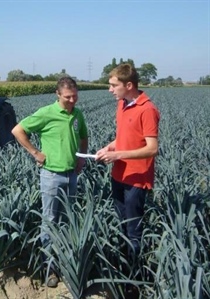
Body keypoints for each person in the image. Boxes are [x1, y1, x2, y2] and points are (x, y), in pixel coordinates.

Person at [11, 76, 88, 288]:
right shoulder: (47, 113)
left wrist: (81, 157)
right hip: (52, 175)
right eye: (67, 97)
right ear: (58, 95)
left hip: (72, 174)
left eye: (75, 96)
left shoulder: (77, 114)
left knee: (68, 219)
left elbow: (83, 137)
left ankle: (66, 263)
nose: (72, 100)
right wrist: (35, 152)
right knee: (50, 220)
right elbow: (18, 130)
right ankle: (49, 268)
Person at [95, 63, 160, 263]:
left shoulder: (147, 109)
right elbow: (123, 137)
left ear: (129, 85)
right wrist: (109, 148)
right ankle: (124, 264)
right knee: (122, 224)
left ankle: (134, 275)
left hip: (137, 179)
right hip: (118, 175)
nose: (110, 90)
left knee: (133, 228)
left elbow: (152, 148)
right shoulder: (122, 104)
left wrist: (118, 155)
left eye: (114, 85)